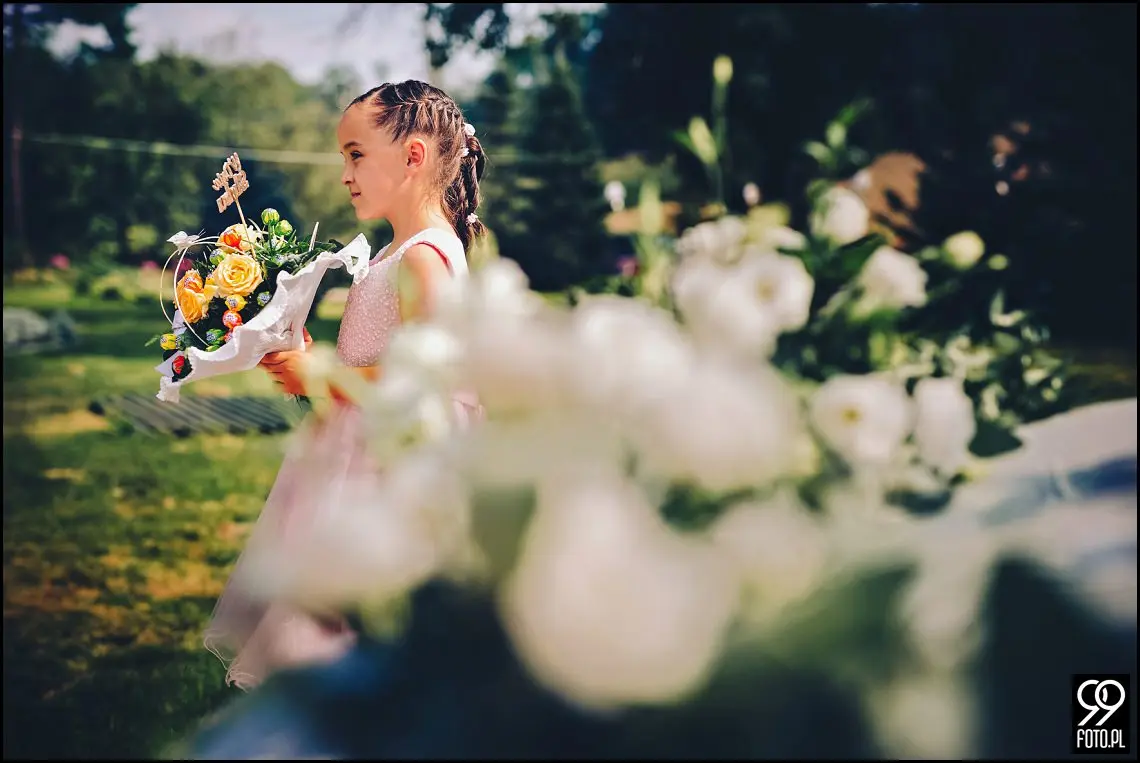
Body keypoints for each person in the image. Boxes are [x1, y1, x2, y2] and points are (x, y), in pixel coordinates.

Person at [203, 80, 487, 692]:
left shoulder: (423, 256)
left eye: (356, 154)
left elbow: (434, 376)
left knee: (354, 637)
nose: (345, 173)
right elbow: (382, 362)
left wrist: (324, 375)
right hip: (356, 454)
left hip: (382, 475)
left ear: (413, 156)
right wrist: (305, 360)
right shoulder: (401, 251)